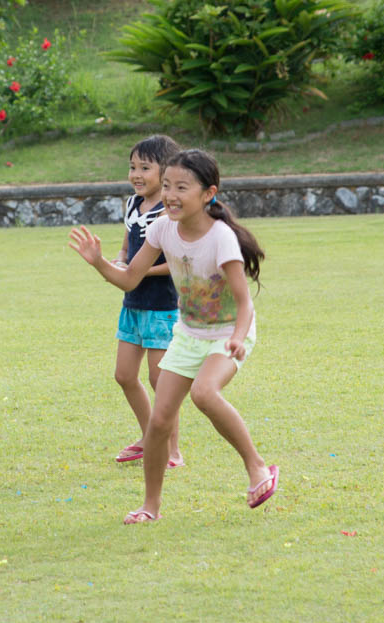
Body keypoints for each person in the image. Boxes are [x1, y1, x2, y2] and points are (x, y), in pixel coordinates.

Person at [68, 149, 277, 524]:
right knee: (159, 422)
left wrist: (238, 339)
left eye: (182, 187)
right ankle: (150, 506)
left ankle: (258, 467)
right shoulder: (162, 228)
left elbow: (244, 303)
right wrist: (100, 262)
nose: (170, 195)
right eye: (166, 186)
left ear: (208, 193)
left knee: (204, 393)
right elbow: (130, 278)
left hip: (227, 334)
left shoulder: (222, 239)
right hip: (188, 334)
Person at [111, 135, 184, 469]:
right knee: (125, 376)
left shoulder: (170, 212)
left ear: (165, 172)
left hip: (161, 306)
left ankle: (173, 451)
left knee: (161, 382)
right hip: (132, 303)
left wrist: (141, 272)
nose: (136, 174)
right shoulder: (131, 204)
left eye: (145, 167)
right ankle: (148, 437)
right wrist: (121, 262)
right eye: (132, 167)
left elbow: (178, 261)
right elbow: (127, 247)